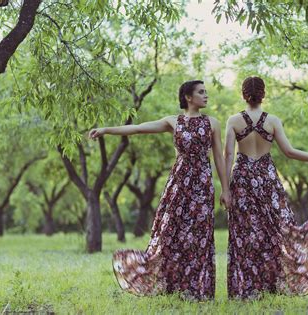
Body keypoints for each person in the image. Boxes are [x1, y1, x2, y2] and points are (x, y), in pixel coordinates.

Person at [89, 80, 231, 301]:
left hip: (202, 185)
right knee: (170, 233)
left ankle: (198, 289)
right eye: (201, 92)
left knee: (200, 236)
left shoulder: (213, 123)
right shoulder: (172, 122)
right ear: (188, 97)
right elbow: (137, 129)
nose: (206, 96)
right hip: (178, 184)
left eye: (206, 92)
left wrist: (226, 189)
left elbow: (220, 159)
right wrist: (107, 130)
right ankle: (171, 284)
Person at [224, 76, 308, 299]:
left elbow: (228, 154)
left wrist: (225, 189)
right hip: (267, 180)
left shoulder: (234, 121)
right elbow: (290, 152)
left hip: (243, 180)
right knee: (276, 231)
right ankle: (271, 284)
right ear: (263, 94)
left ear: (243, 94)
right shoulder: (273, 121)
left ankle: (246, 288)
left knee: (244, 233)